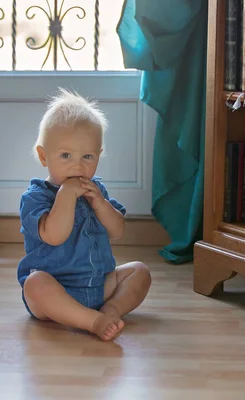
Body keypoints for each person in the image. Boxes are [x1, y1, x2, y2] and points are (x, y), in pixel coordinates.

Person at [17, 88, 151, 341]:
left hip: (99, 285)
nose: (77, 165)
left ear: (99, 155)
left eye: (87, 156)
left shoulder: (95, 190)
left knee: (139, 272)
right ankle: (93, 321)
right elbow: (54, 236)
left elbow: (117, 230)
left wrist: (100, 202)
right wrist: (65, 196)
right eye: (66, 155)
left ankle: (112, 309)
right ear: (44, 156)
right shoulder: (35, 197)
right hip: (56, 290)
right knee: (34, 283)